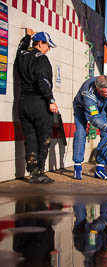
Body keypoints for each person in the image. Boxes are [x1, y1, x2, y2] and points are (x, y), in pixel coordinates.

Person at [15, 29, 58, 184]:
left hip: (23, 102)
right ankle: (39, 171)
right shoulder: (42, 59)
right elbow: (43, 81)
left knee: (30, 137)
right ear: (40, 43)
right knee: (44, 138)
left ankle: (32, 171)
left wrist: (28, 36)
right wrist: (51, 100)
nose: (49, 49)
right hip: (39, 102)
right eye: (48, 45)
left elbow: (21, 46)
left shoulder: (21, 55)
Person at [72, 76, 107, 180]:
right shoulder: (88, 93)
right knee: (80, 133)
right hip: (81, 107)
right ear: (98, 90)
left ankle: (100, 169)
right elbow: (94, 118)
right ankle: (77, 167)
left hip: (101, 106)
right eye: (106, 93)